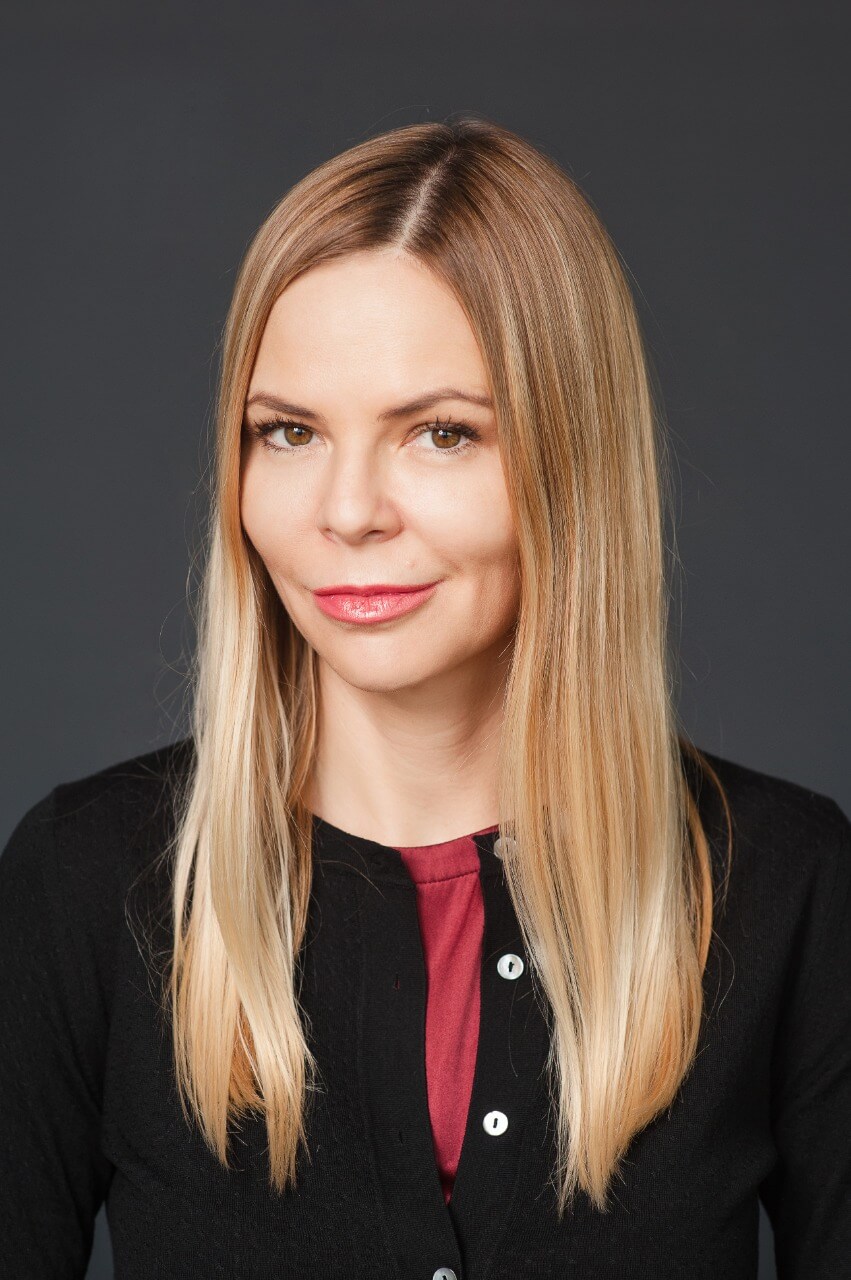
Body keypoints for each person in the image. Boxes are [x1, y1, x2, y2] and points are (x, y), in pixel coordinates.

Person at [1, 116, 849, 1280]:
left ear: (570, 463)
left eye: (440, 433)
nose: (347, 510)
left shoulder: (788, 885)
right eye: (288, 432)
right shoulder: (87, 879)